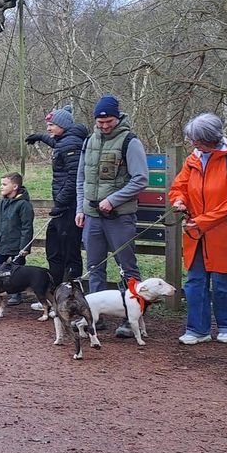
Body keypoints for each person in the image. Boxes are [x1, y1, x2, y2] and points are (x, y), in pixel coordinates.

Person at [167, 113, 227, 345]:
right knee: (195, 281)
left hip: (226, 231)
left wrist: (206, 220)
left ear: (209, 139)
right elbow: (179, 186)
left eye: (195, 140)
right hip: (197, 232)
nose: (192, 144)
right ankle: (197, 329)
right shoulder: (192, 160)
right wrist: (179, 200)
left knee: (224, 281)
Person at [75, 95, 148, 337]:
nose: (105, 125)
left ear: (118, 117)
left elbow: (140, 179)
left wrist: (113, 200)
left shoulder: (130, 141)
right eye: (101, 121)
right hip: (92, 216)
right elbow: (81, 179)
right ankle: (94, 316)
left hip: (119, 216)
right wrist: (80, 208)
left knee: (126, 267)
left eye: (109, 121)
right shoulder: (89, 141)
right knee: (94, 266)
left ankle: (131, 317)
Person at [26, 106, 87, 287]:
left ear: (63, 126)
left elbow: (74, 177)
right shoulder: (65, 141)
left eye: (51, 125)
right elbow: (57, 144)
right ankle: (55, 290)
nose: (48, 128)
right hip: (63, 205)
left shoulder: (71, 144)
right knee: (54, 247)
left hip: (69, 207)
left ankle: (71, 293)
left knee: (69, 251)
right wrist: (39, 137)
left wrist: (61, 202)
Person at [0, 173, 34, 305]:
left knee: (16, 271)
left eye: (4, 184)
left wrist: (25, 247)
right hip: (1, 243)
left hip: (17, 246)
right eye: (1, 184)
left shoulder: (24, 205)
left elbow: (27, 228)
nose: (1, 187)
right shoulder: (1, 203)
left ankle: (16, 294)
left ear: (15, 186)